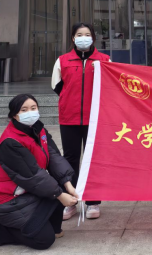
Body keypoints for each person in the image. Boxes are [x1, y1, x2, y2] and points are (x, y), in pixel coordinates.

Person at [0, 94, 77, 249]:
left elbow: (54, 157)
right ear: (14, 115)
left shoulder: (38, 130)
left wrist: (68, 184)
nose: (30, 113)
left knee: (62, 186)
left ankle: (43, 223)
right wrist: (60, 195)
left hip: (27, 190)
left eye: (33, 108)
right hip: (6, 199)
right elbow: (33, 175)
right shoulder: (10, 142)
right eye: (24, 110)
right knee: (44, 240)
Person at [51, 22, 110, 221]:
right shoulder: (62, 60)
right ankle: (72, 201)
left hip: (95, 118)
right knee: (70, 159)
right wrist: (71, 100)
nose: (83, 38)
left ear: (93, 38)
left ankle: (93, 201)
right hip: (69, 118)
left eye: (87, 34)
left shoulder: (104, 60)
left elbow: (110, 86)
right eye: (79, 34)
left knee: (93, 159)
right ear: (73, 38)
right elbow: (57, 86)